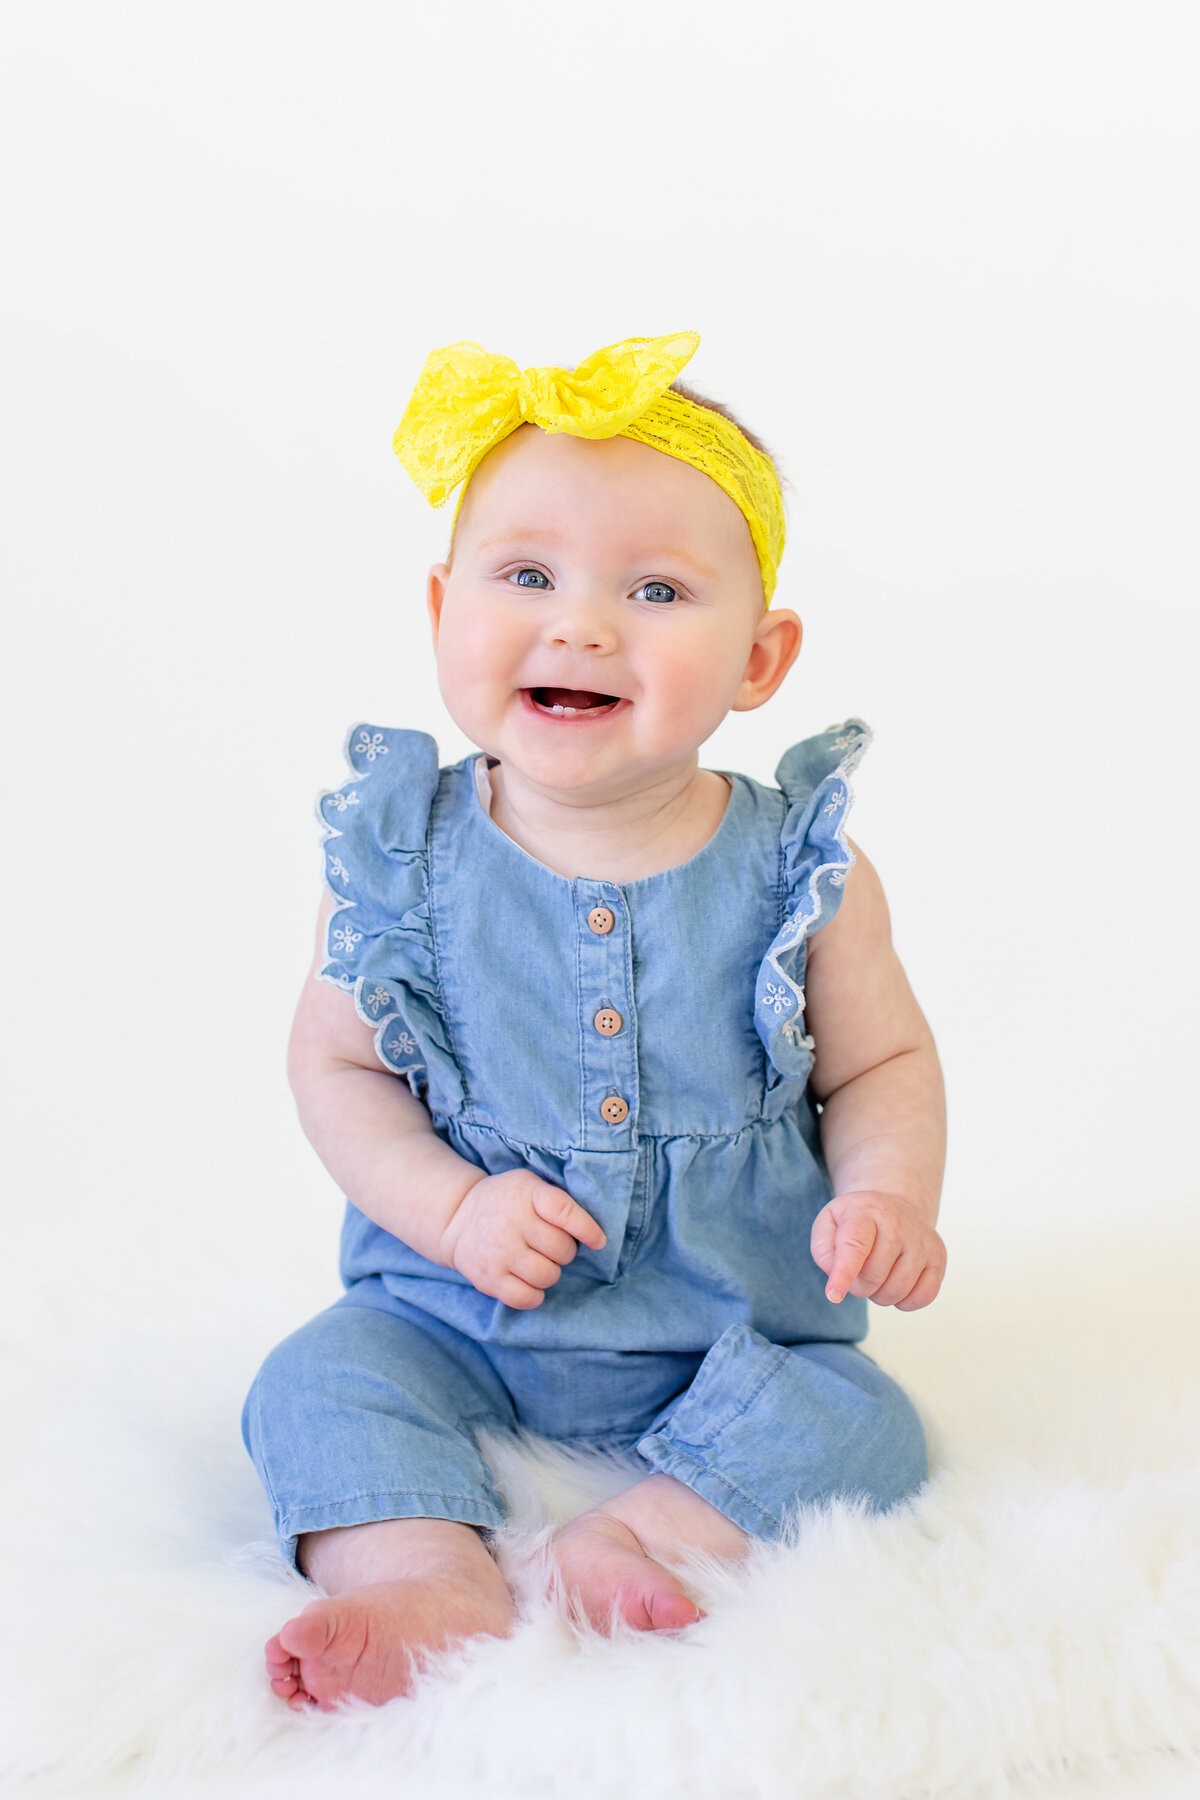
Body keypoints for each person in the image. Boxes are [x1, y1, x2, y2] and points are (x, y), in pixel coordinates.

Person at [243, 331, 948, 1712]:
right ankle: (421, 1567)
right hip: (448, 1315)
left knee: (872, 1428)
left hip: (744, 1335)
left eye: (657, 589)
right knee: (310, 1382)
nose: (580, 624)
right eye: (525, 576)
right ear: (443, 606)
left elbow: (884, 1062)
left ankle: (646, 1529)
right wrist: (449, 1213)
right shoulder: (401, 858)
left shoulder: (799, 872)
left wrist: (889, 1196)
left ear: (760, 657)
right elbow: (335, 1066)